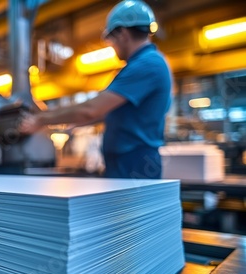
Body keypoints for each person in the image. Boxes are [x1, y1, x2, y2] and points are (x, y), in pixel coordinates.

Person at [19, 0, 172, 179]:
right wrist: (71, 124)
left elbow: (91, 110)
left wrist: (40, 120)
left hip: (134, 163)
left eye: (110, 40)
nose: (112, 47)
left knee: (130, 208)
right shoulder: (142, 64)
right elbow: (105, 112)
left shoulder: (147, 64)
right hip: (127, 161)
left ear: (122, 33)